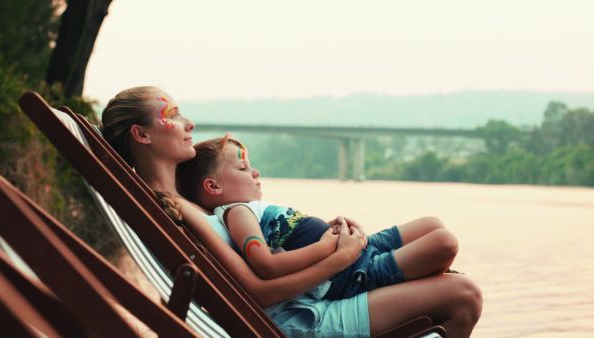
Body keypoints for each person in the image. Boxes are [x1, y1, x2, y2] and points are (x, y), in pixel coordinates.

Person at [101, 86, 482, 337]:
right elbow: (258, 293)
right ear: (142, 134)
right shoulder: (180, 212)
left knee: (449, 272)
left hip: (307, 301)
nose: (190, 123)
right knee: (463, 295)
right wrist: (339, 258)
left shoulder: (184, 203)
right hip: (298, 321)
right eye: (175, 113)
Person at [176, 135, 461, 301]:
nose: (255, 173)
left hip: (353, 253)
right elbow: (266, 265)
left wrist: (328, 229)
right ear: (214, 187)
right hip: (350, 273)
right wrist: (328, 246)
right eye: (242, 168)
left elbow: (288, 238)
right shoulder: (237, 212)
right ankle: (417, 278)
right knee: (443, 242)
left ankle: (422, 273)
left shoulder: (249, 210)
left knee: (432, 225)